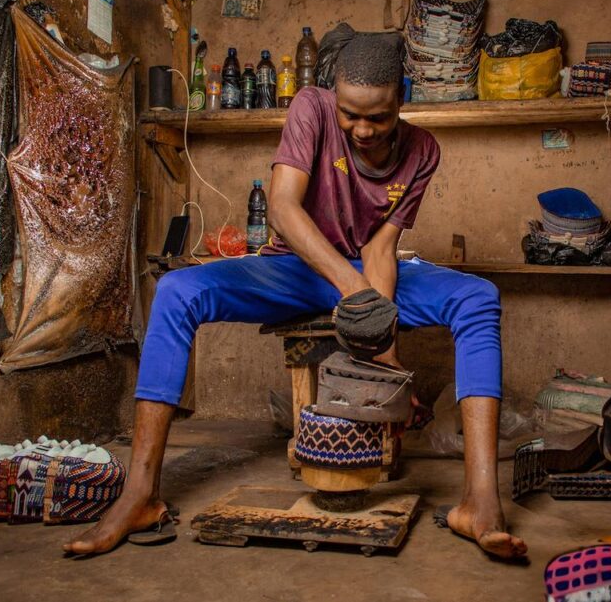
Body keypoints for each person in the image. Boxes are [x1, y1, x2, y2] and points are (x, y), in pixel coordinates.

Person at [63, 34, 527, 560]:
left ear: (401, 99)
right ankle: (140, 494)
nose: (363, 129)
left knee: (478, 297)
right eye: (351, 115)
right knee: (175, 291)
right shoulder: (311, 109)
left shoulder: (423, 150)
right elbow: (283, 208)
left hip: (365, 270)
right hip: (296, 267)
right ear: (335, 97)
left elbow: (381, 246)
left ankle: (480, 501)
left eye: (379, 117)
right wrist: (352, 292)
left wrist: (385, 349)